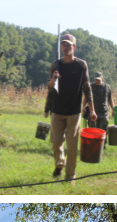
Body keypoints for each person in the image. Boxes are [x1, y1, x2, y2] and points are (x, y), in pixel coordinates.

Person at [45, 33, 96, 182]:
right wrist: (54, 79)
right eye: (63, 45)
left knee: (72, 146)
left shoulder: (81, 65)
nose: (66, 48)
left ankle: (70, 176)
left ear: (74, 47)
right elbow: (49, 87)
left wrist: (92, 109)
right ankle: (60, 164)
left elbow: (87, 87)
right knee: (56, 142)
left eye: (69, 45)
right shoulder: (55, 64)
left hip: (74, 111)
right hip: (57, 109)